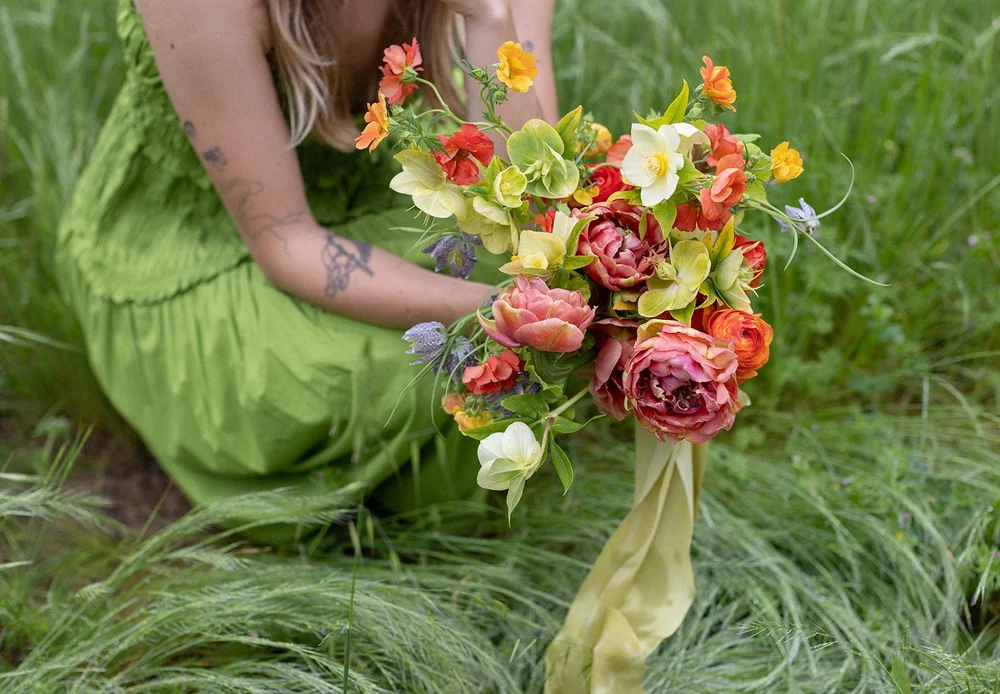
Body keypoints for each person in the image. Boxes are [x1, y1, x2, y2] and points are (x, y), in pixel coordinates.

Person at [54, 0, 557, 523]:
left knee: (550, 284)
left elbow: (535, 197)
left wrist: (490, 20)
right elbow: (286, 243)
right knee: (421, 376)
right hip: (206, 247)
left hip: (368, 200)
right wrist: (514, 314)